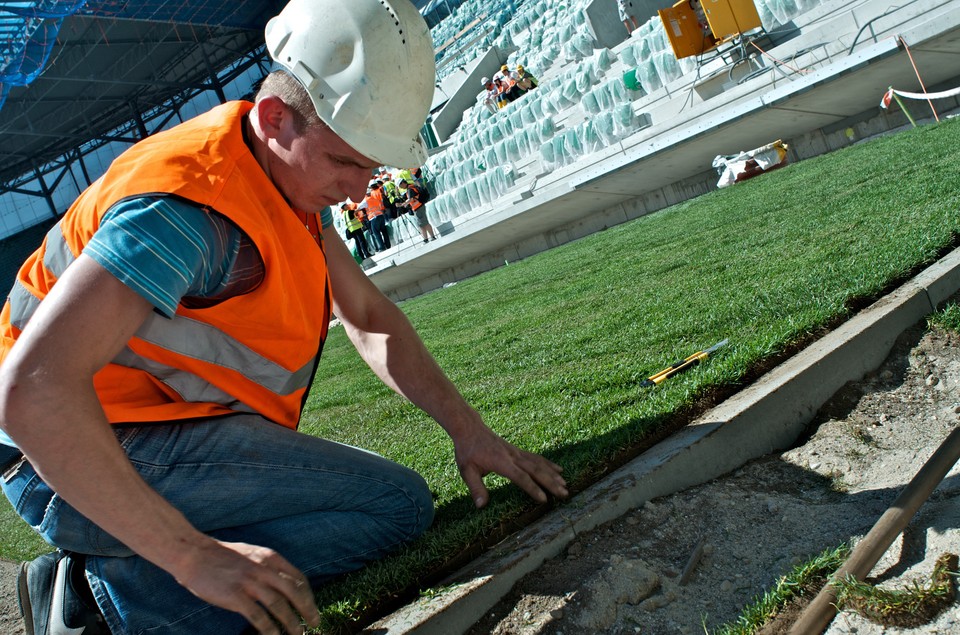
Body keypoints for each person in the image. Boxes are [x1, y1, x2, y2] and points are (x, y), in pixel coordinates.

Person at [0, 1, 568, 634]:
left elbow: (369, 315)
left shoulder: (280, 177)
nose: (360, 190)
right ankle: (95, 598)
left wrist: (470, 431)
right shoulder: (187, 211)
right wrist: (191, 558)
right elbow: (32, 393)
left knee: (385, 506)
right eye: (348, 163)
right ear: (275, 119)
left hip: (148, 432)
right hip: (63, 458)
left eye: (372, 167)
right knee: (393, 507)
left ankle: (113, 570)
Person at [397, 179, 436, 244]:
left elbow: (411, 199)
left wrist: (404, 204)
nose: (401, 187)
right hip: (418, 207)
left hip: (418, 207)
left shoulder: (410, 189)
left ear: (402, 183)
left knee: (424, 223)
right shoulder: (411, 187)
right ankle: (426, 239)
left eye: (400, 186)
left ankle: (431, 237)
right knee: (421, 224)